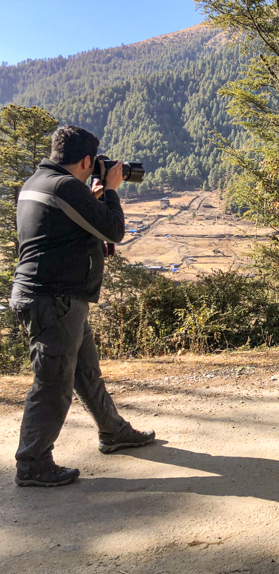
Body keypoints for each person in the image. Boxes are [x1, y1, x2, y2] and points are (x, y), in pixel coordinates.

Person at [10, 126, 155, 487]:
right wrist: (112, 193)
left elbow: (63, 231)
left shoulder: (38, 182)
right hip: (54, 298)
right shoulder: (64, 187)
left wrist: (96, 193)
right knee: (53, 382)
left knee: (85, 370)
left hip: (56, 298)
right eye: (95, 164)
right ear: (87, 160)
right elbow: (114, 230)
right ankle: (33, 462)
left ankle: (113, 431)